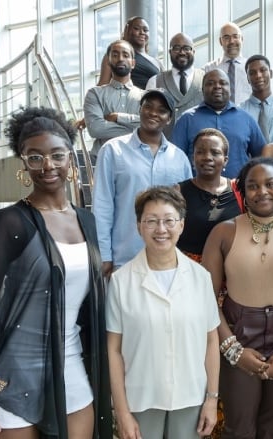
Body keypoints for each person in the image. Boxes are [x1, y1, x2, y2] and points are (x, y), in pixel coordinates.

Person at [0, 107, 113, 439]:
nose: (47, 165)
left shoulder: (88, 221)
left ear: (71, 159)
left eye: (56, 155)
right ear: (24, 164)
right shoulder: (9, 223)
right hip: (11, 376)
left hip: (73, 368)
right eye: (35, 157)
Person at [201, 157, 273, 438]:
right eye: (252, 186)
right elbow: (204, 298)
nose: (262, 191)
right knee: (238, 428)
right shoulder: (223, 233)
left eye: (270, 184)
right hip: (236, 333)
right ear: (243, 191)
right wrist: (232, 348)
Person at [106, 186, 220, 439]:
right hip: (140, 400)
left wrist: (211, 399)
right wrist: (122, 412)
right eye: (151, 221)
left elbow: (212, 340)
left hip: (191, 398)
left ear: (181, 225)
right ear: (138, 226)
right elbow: (113, 350)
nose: (161, 229)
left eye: (169, 221)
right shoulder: (121, 281)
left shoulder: (200, 277)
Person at [93, 89, 192, 276]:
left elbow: (183, 213)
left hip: (168, 262)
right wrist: (103, 254)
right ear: (140, 110)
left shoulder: (179, 159)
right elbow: (102, 205)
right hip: (124, 259)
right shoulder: (113, 151)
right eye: (148, 106)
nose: (153, 113)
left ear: (169, 119)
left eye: (162, 110)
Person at [170, 69, 269, 179]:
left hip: (237, 192)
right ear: (202, 90)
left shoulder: (246, 119)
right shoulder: (186, 119)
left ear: (230, 89)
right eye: (210, 83)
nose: (217, 86)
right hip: (196, 191)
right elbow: (175, 160)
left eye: (223, 83)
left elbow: (262, 156)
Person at [176, 128, 241, 262]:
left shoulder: (240, 191)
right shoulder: (178, 192)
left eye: (215, 152)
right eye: (200, 152)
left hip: (230, 273)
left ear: (225, 160)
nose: (207, 157)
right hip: (189, 273)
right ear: (193, 157)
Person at [84, 40, 143, 160]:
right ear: (109, 62)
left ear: (133, 63)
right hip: (102, 159)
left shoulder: (146, 96)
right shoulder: (95, 93)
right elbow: (96, 129)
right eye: (115, 55)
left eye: (125, 55)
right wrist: (135, 129)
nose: (120, 58)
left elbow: (148, 126)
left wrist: (118, 117)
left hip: (137, 159)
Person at [146, 33, 205, 137]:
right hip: (165, 146)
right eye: (176, 48)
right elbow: (147, 116)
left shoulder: (206, 79)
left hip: (199, 146)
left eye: (187, 48)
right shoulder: (154, 81)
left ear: (193, 52)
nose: (182, 52)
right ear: (170, 52)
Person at [98, 17, 163, 89]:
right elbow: (103, 84)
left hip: (150, 99)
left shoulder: (157, 63)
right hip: (123, 98)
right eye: (136, 28)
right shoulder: (114, 55)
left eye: (145, 30)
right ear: (128, 30)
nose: (142, 32)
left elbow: (164, 88)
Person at [239, 54, 273, 144]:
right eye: (252, 73)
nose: (258, 75)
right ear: (248, 78)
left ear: (271, 73)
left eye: (263, 70)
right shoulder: (240, 111)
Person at [203, 22, 252, 104]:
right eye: (226, 37)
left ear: (242, 39)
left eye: (235, 36)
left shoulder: (252, 68)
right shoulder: (208, 69)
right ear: (220, 41)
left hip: (245, 115)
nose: (231, 41)